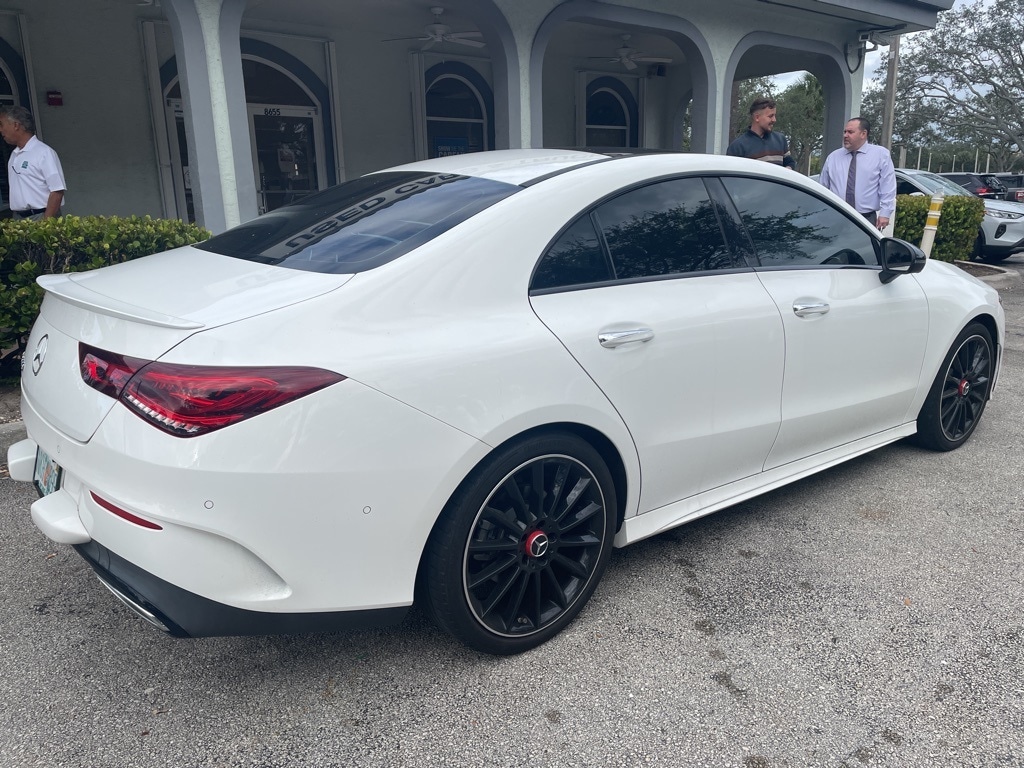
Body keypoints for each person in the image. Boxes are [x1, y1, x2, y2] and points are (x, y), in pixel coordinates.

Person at [818, 117, 895, 231]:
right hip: (836, 217)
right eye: (845, 132)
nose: (845, 135)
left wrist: (885, 213)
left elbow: (887, 186)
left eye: (850, 132)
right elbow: (823, 187)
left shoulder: (880, 155)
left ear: (863, 134)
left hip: (865, 218)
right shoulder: (833, 157)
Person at [0, 105, 66, 220]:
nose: (0, 130)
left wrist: (46, 222)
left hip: (40, 215)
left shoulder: (44, 153)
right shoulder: (14, 155)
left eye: (1, 124)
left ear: (16, 125)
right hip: (19, 218)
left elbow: (57, 191)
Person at [726, 97, 796, 169]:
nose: (774, 120)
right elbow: (731, 173)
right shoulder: (738, 147)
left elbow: (790, 163)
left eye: (774, 115)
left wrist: (787, 169)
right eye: (770, 116)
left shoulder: (780, 139)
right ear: (757, 117)